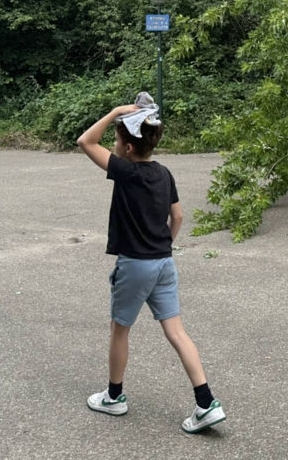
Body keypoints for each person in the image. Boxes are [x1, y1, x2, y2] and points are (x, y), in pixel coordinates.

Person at [76, 92, 225, 433]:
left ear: (127, 148)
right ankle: (206, 403)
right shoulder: (164, 173)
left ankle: (114, 397)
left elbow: (85, 140)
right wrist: (163, 246)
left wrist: (115, 110)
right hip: (163, 263)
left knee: (119, 329)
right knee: (176, 332)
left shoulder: (126, 173)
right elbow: (178, 215)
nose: (113, 144)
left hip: (136, 265)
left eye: (117, 139)